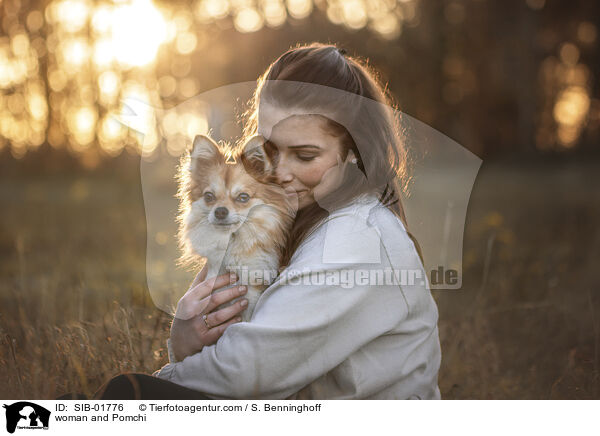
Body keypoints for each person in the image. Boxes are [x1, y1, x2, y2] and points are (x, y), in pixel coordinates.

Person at [66, 42, 441, 400]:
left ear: (353, 155)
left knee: (127, 393)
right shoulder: (299, 220)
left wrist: (178, 351)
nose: (279, 172)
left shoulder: (355, 239)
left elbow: (248, 374)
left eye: (305, 156)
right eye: (270, 149)